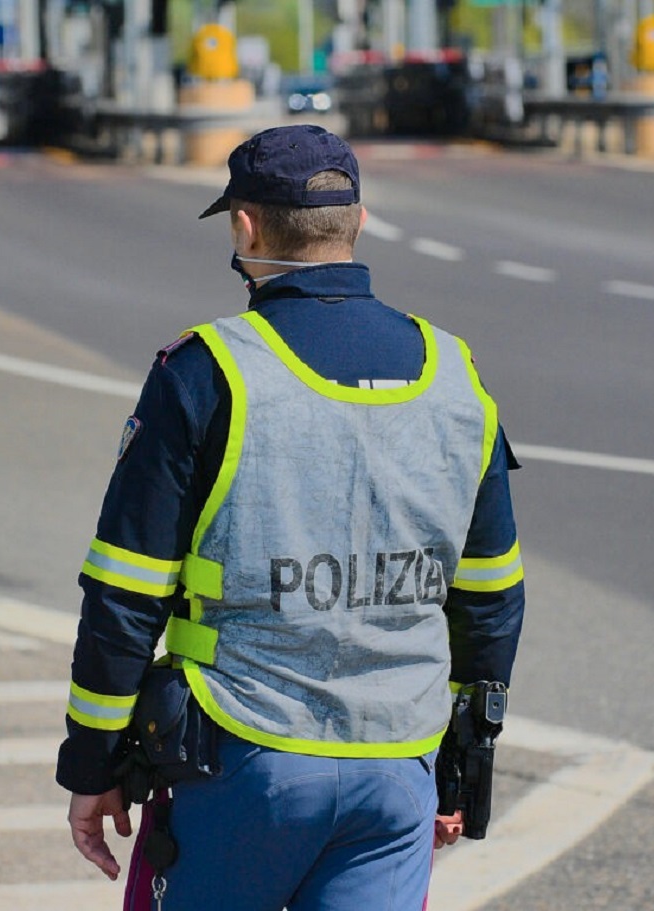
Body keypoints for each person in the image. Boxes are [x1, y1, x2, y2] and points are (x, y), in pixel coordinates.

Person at [57, 124, 526, 910]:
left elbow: (126, 593)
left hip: (243, 761)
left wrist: (92, 764)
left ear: (245, 228)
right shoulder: (457, 375)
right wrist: (460, 764)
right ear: (359, 221)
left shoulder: (207, 372)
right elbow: (491, 598)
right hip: (397, 768)